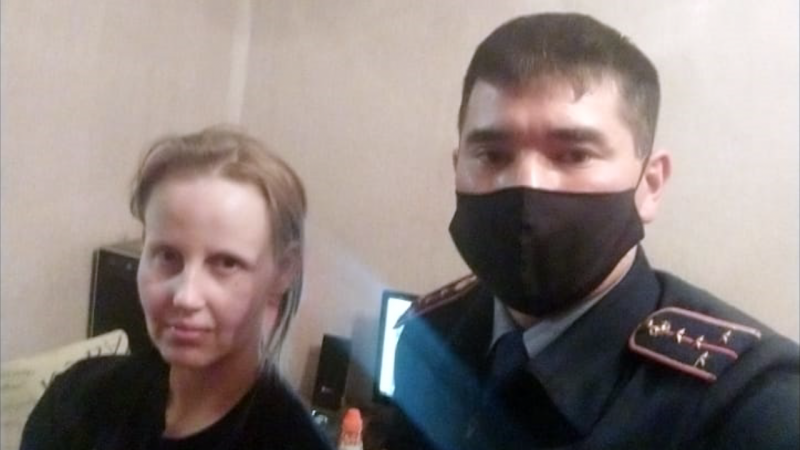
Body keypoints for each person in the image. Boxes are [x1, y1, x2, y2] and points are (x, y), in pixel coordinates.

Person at [387, 13, 799, 450]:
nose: (526, 184)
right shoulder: (428, 336)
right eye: (492, 154)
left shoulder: (751, 406)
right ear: (458, 168)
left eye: (574, 155)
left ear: (650, 184)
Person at [21, 127, 334, 449]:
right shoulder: (77, 400)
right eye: (167, 256)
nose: (185, 296)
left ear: (283, 271)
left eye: (226, 263)